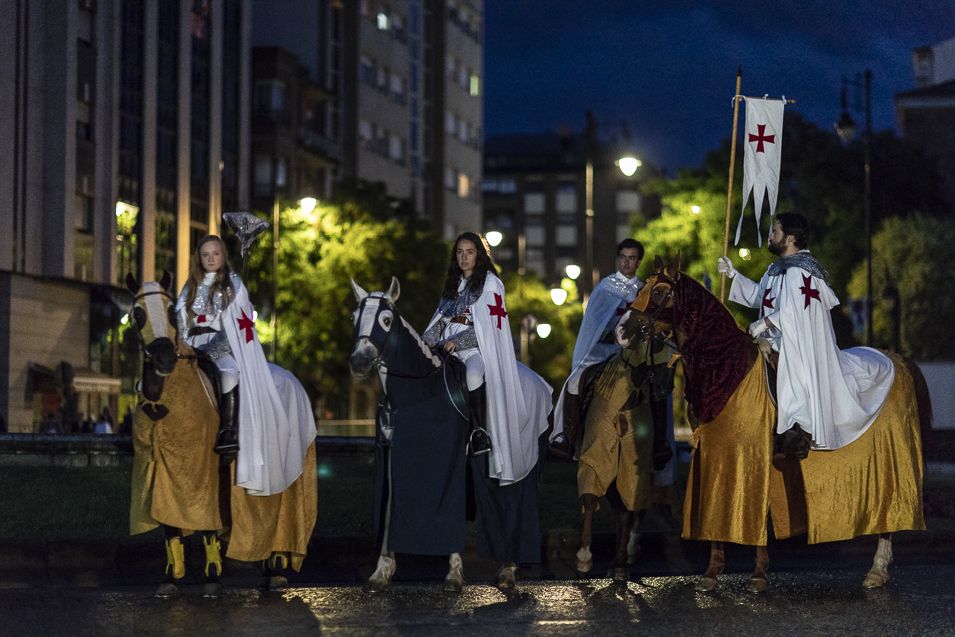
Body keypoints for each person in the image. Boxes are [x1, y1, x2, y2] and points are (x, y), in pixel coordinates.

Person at [718, 212, 894, 457]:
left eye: (774, 232)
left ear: (790, 238)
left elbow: (796, 312)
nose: (770, 237)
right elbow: (760, 296)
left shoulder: (801, 271)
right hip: (777, 338)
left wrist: (764, 323)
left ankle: (797, 429)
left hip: (798, 344)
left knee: (790, 370)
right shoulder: (776, 269)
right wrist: (733, 274)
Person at [176, 234, 310, 496]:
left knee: (229, 375)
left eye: (215, 253)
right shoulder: (189, 287)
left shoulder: (232, 285)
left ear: (222, 255)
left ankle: (228, 431)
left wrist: (213, 349)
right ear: (199, 258)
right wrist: (186, 344)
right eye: (206, 255)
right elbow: (181, 316)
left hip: (222, 346)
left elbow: (239, 322)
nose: (211, 259)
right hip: (193, 344)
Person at [422, 232, 527, 464]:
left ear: (479, 255)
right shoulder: (453, 284)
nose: (464, 257)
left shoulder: (490, 283)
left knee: (472, 374)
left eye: (470, 252)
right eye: (460, 252)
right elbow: (440, 319)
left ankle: (480, 432)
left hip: (475, 351)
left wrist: (458, 342)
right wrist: (426, 342)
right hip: (444, 349)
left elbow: (488, 327)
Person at [550, 238, 646, 457]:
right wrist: (609, 334)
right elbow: (593, 323)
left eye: (632, 258)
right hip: (604, 350)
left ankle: (660, 440)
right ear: (618, 259)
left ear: (639, 261)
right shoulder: (606, 287)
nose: (626, 263)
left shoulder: (645, 291)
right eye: (623, 258)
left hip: (634, 352)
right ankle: (569, 437)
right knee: (575, 381)